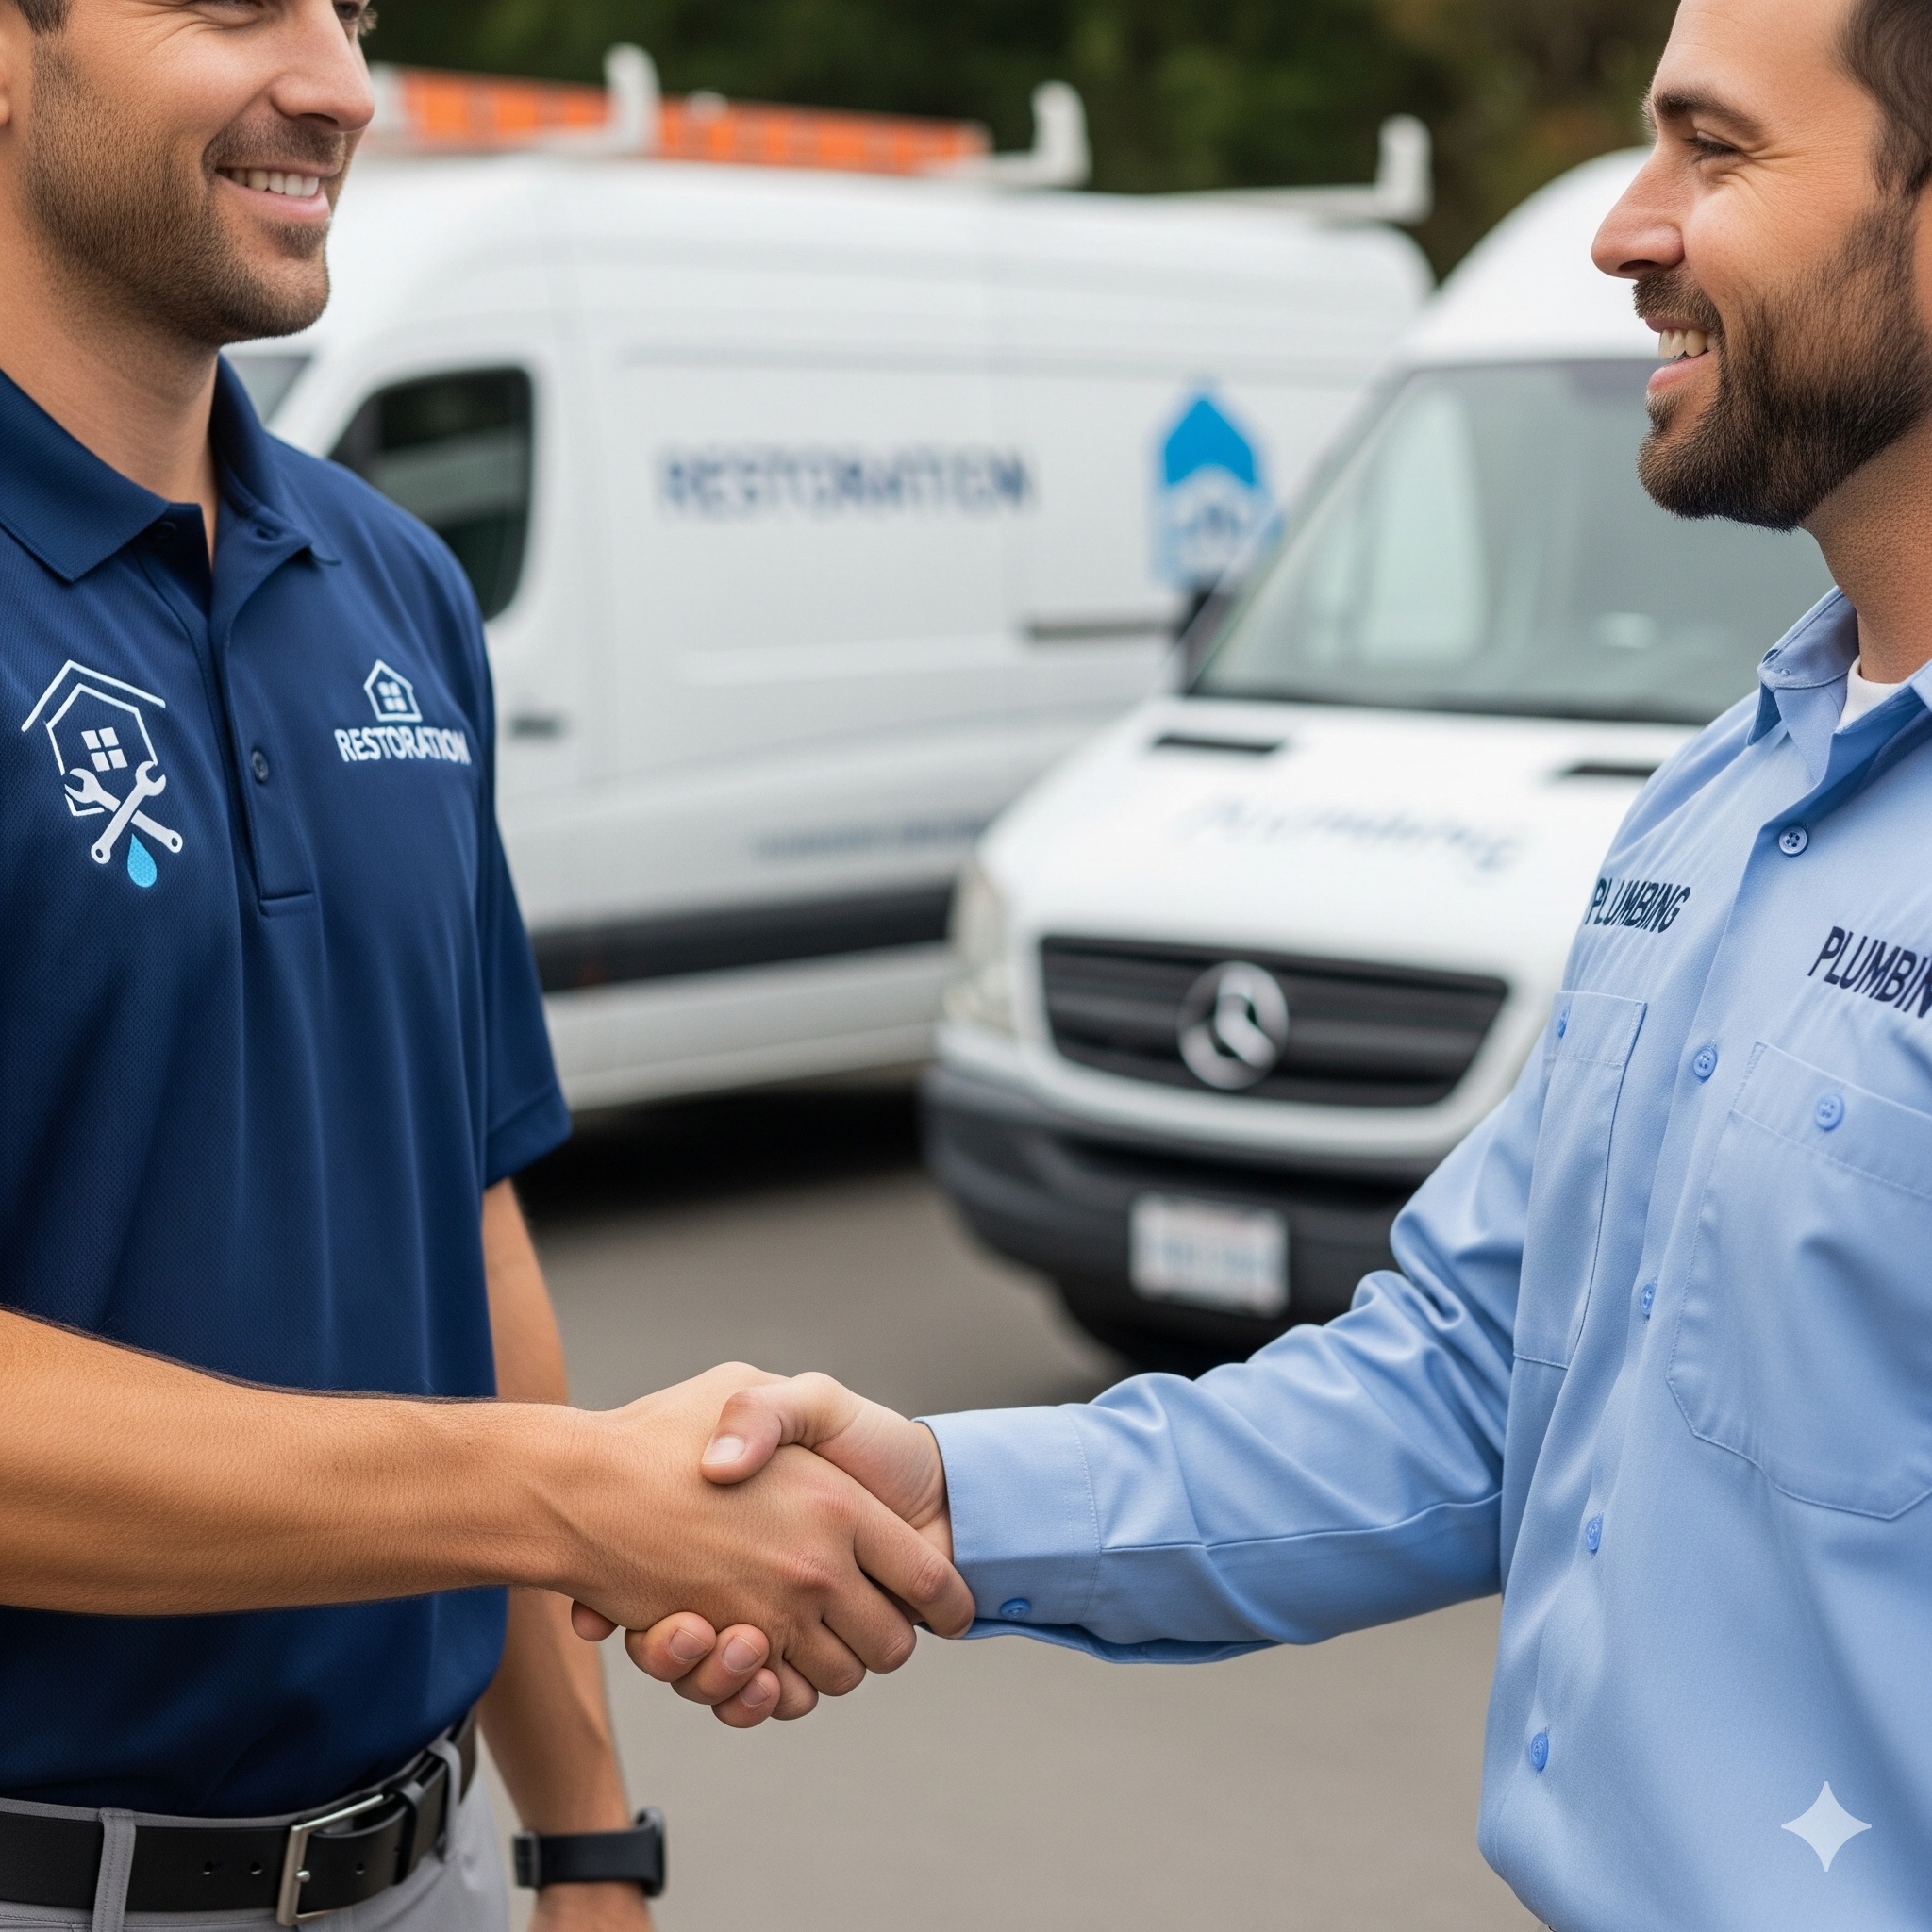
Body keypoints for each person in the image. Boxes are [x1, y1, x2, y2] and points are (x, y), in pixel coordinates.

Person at [620, 0, 1932, 1923]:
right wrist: (937, 1494)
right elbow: (1473, 1384)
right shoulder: (1714, 809)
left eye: (1712, 152)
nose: (1619, 227)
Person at [0, 5, 973, 1930]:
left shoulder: (395, 587)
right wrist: (561, 1490)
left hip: (420, 1870)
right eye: (237, 5)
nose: (343, 82)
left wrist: (586, 1835)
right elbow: (526, 1454)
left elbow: (465, 1230)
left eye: (352, 13)